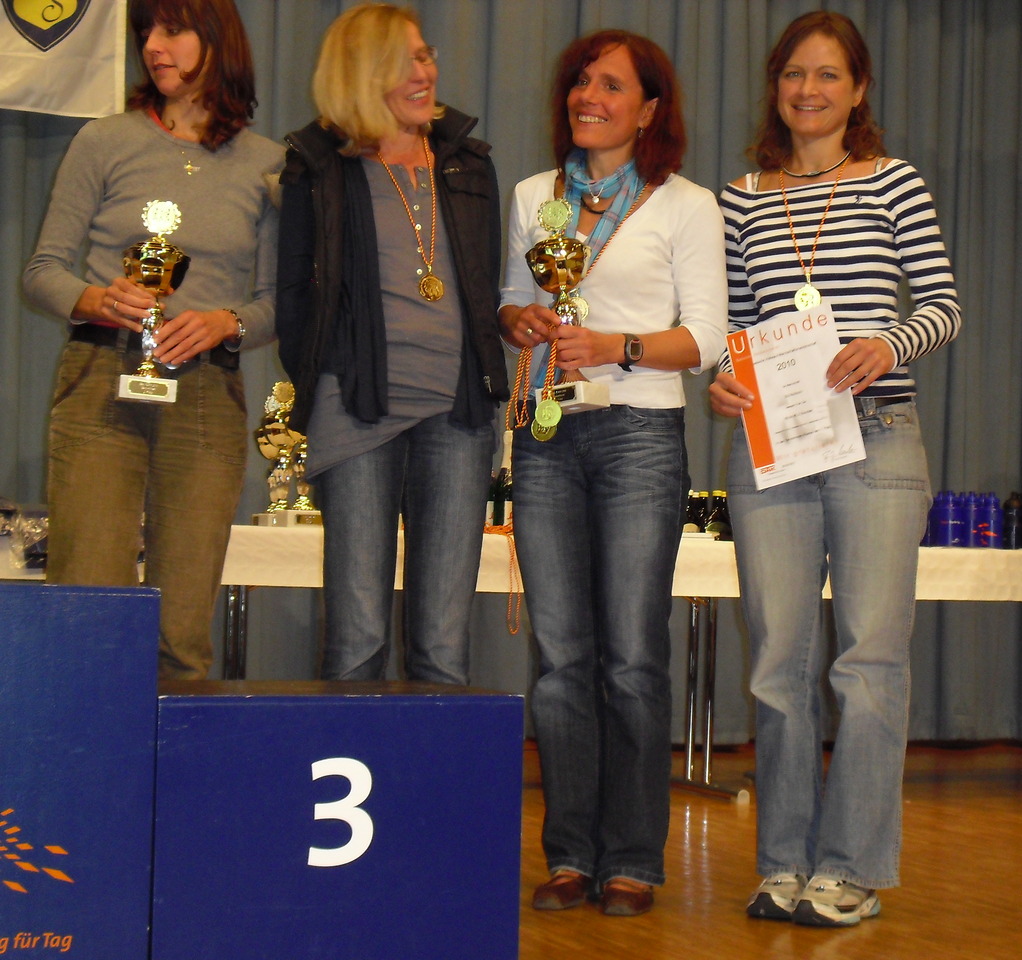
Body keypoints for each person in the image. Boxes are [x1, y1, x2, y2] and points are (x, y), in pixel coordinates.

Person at [709, 11, 961, 928]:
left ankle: (848, 868)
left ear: (858, 91)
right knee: (777, 663)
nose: (808, 90)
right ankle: (783, 861)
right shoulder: (740, 198)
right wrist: (723, 378)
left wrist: (887, 344)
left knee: (868, 661)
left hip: (878, 432)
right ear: (775, 87)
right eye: (793, 74)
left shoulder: (895, 182)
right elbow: (728, 325)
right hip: (773, 444)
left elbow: (942, 305)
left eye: (827, 75)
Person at [499, 30, 727, 916]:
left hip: (639, 434)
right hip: (546, 433)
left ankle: (632, 857)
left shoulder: (685, 205)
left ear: (649, 109)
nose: (588, 97)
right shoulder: (535, 196)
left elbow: (703, 339)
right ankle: (570, 854)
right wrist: (520, 322)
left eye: (612, 86)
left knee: (631, 657)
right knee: (561, 660)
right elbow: (511, 301)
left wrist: (614, 346)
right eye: (581, 82)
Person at [23, 0, 282, 681]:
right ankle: (81, 749)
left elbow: (279, 303)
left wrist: (227, 322)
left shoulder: (269, 165)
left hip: (205, 391)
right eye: (146, 34)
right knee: (88, 610)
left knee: (182, 627)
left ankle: (172, 751)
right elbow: (42, 271)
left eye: (172, 30)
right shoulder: (103, 141)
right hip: (99, 377)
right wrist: (98, 299)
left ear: (217, 40)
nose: (153, 47)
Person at [275, 3, 508, 684]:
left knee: (443, 645)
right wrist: (337, 378)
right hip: (357, 414)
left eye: (426, 56)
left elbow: (481, 286)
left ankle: (435, 761)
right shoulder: (318, 167)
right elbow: (294, 300)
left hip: (459, 418)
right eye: (403, 62)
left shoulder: (468, 164)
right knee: (358, 640)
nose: (424, 73)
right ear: (361, 74)